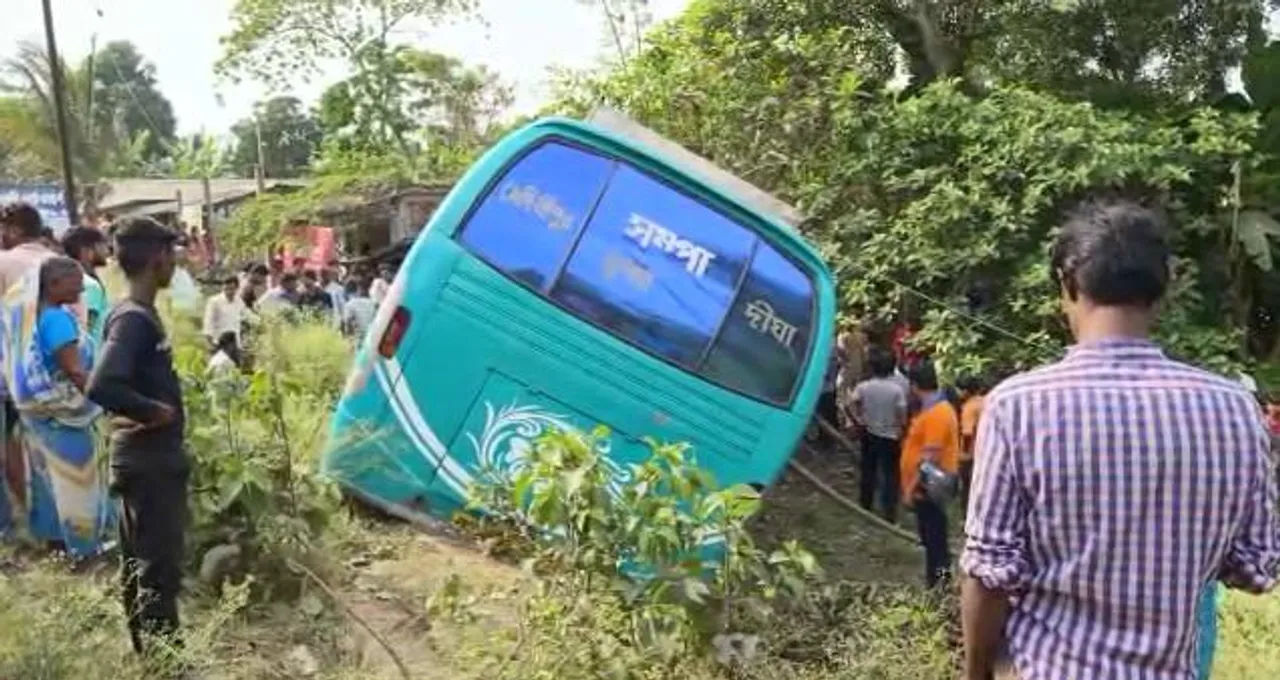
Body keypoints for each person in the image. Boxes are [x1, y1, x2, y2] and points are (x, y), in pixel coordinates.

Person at [960, 197, 1280, 680]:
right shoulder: (1234, 409)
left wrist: (977, 673)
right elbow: (1256, 567)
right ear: (1162, 291)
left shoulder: (1018, 405)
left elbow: (988, 576)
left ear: (1067, 284)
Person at [86, 218, 188, 655]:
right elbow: (102, 385)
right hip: (148, 460)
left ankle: (150, 656)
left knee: (139, 564)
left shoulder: (137, 315)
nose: (175, 263)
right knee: (156, 568)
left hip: (145, 458)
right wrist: (154, 411)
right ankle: (167, 663)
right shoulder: (132, 319)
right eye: (172, 254)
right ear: (157, 258)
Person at [0, 256, 112, 559]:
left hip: (39, 416)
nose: (80, 289)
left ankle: (56, 544)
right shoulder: (57, 320)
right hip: (64, 415)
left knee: (48, 481)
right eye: (74, 283)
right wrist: (109, 400)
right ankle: (85, 550)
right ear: (53, 285)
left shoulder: (33, 317)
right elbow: (75, 372)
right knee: (77, 482)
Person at [0, 203, 58, 536]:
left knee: (10, 444)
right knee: (50, 451)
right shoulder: (59, 262)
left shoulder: (4, 262)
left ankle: (20, 518)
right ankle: (56, 523)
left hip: (11, 370)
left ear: (14, 230)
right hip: (58, 370)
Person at [900, 360, 959, 589]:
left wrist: (911, 489)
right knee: (931, 537)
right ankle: (935, 580)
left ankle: (939, 582)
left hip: (930, 486)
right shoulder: (933, 409)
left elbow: (930, 458)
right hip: (928, 486)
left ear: (914, 385)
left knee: (935, 539)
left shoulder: (937, 414)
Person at [850, 346, 908, 522]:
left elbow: (851, 403)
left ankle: (865, 504)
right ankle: (889, 512)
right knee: (890, 475)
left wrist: (858, 419)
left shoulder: (864, 387)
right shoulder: (896, 390)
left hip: (869, 432)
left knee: (868, 469)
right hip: (891, 436)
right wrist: (901, 429)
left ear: (873, 368)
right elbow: (902, 414)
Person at [61, 226, 111, 342]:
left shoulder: (66, 279)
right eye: (101, 245)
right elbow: (86, 328)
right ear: (86, 251)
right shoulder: (87, 285)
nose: (107, 250)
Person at [956, 375, 986, 508]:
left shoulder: (968, 407)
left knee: (967, 485)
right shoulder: (985, 401)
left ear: (965, 391)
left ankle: (966, 515)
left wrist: (964, 453)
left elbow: (967, 433)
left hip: (971, 452)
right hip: (985, 449)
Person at [203, 276, 245, 351]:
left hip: (235, 343)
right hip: (218, 342)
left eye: (231, 289)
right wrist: (209, 342)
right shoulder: (214, 301)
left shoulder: (239, 302)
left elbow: (245, 316)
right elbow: (208, 322)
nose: (228, 292)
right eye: (226, 289)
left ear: (237, 288)